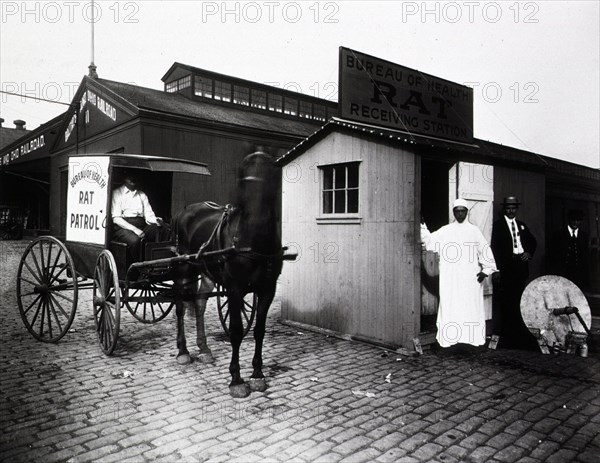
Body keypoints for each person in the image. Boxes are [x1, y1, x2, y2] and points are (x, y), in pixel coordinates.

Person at [421, 198, 498, 350]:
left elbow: (485, 251)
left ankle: (471, 340)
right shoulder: (446, 230)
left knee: (470, 307)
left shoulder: (474, 231)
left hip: (470, 278)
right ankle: (451, 340)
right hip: (451, 278)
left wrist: (486, 270)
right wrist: (422, 226)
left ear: (467, 212)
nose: (460, 214)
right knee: (452, 306)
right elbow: (430, 241)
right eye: (457, 211)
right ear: (454, 212)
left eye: (463, 211)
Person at [490, 196, 538, 350]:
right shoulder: (498, 226)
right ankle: (507, 335)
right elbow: (495, 248)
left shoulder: (521, 225)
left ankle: (518, 334)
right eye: (508, 208)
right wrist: (496, 269)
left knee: (518, 299)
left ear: (517, 209)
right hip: (506, 267)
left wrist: (529, 253)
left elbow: (532, 241)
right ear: (504, 209)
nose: (511, 211)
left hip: (520, 267)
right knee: (507, 301)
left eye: (514, 208)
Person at [111, 172, 168, 261]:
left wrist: (156, 220)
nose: (132, 179)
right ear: (124, 178)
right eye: (129, 176)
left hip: (141, 225)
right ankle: (137, 267)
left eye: (134, 176)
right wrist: (135, 230)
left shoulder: (142, 195)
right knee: (135, 241)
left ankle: (158, 262)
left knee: (163, 230)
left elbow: (149, 215)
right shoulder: (117, 193)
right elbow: (117, 219)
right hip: (123, 227)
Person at [549, 209, 589, 290]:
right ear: (569, 220)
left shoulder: (583, 236)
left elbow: (585, 258)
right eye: (573, 220)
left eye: (578, 220)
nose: (575, 222)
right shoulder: (559, 234)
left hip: (578, 275)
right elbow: (553, 256)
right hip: (563, 274)